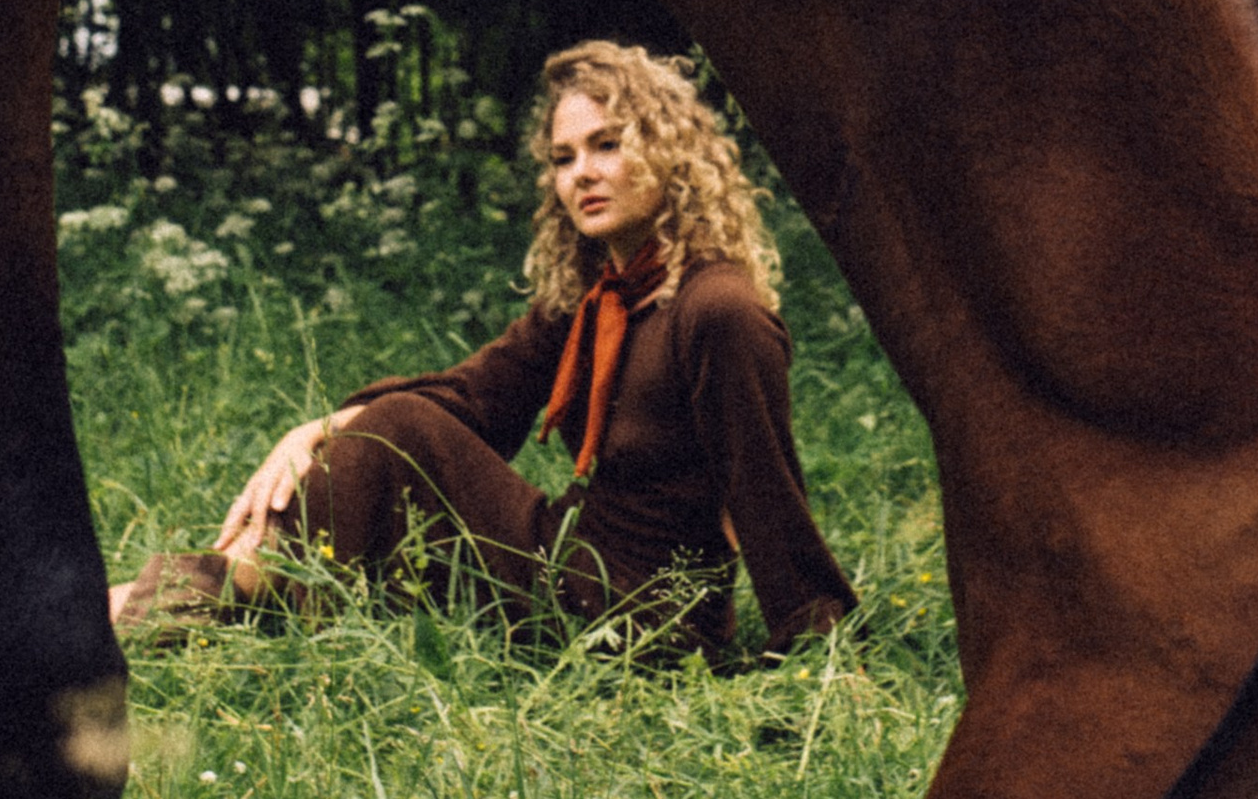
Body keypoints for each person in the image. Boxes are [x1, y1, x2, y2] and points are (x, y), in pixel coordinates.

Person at [110, 42, 857, 663]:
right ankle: (221, 593)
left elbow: (767, 488)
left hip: (640, 614)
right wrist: (314, 431)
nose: (582, 174)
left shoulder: (717, 308)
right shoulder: (595, 297)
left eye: (607, 145)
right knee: (399, 430)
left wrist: (815, 647)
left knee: (401, 428)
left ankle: (198, 595)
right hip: (573, 558)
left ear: (671, 152)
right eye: (563, 157)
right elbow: (474, 400)